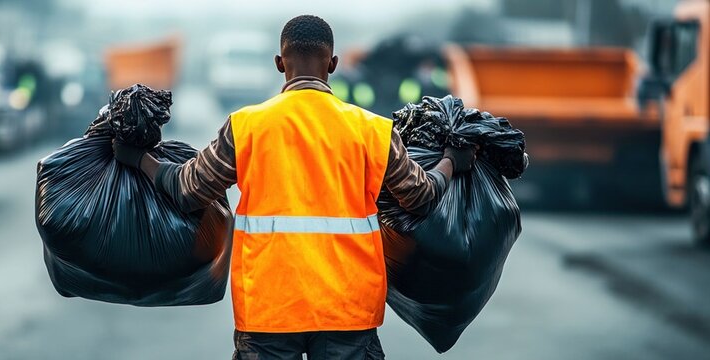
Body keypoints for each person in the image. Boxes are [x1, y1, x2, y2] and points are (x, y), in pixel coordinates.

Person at [113, 15, 476, 360]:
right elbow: (420, 196)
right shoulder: (372, 130)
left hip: (268, 310)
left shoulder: (246, 127)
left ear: (279, 63)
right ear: (332, 64)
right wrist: (450, 161)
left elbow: (188, 190)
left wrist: (140, 159)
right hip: (347, 310)